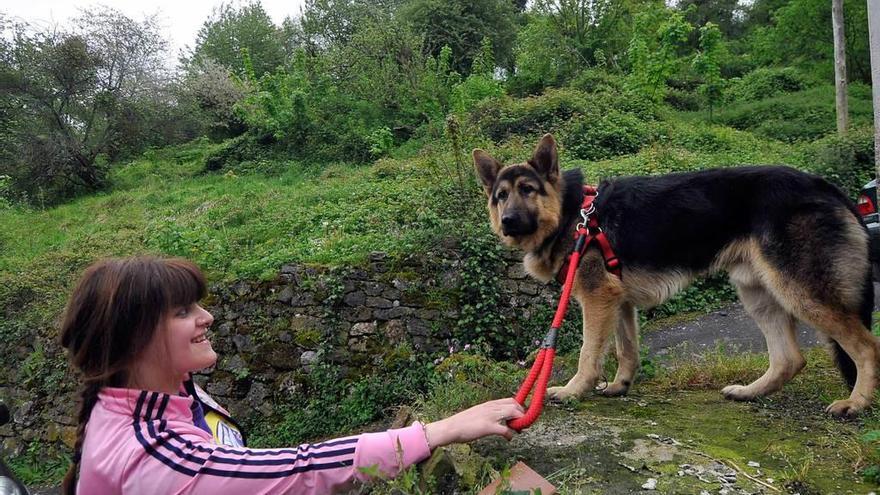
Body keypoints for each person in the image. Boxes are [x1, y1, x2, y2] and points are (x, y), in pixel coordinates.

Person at [59, 256, 524, 494]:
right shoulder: (151, 452)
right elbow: (296, 471)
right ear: (133, 336)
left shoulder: (168, 392)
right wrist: (440, 430)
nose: (207, 318)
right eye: (184, 310)